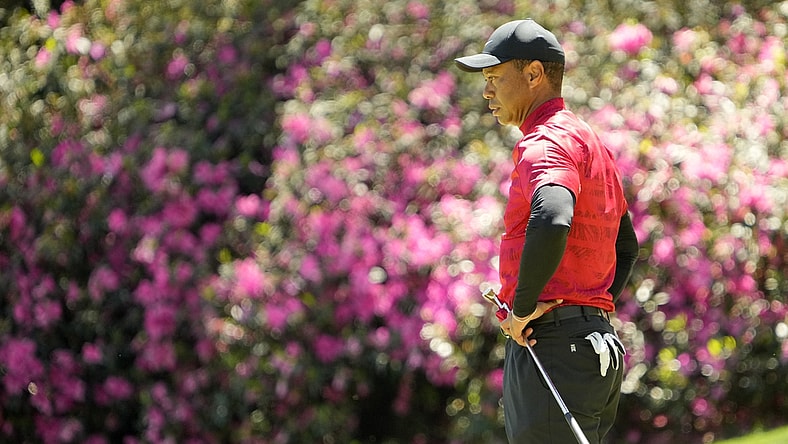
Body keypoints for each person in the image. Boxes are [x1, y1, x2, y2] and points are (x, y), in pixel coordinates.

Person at [455, 19, 639, 444]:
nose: (487, 92)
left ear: (534, 75)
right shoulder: (589, 141)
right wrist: (592, 309)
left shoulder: (546, 141)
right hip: (594, 347)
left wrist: (522, 310)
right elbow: (626, 246)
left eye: (495, 77)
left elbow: (553, 215)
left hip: (552, 346)